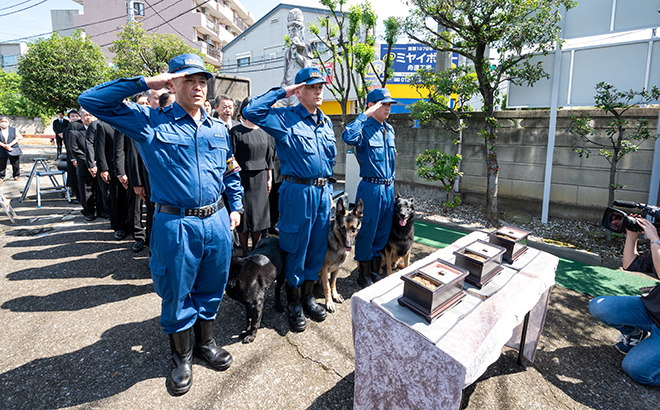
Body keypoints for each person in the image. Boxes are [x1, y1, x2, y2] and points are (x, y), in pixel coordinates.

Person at [79, 53, 244, 395]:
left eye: (202, 81)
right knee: (176, 292)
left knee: (212, 287)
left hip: (215, 221)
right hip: (176, 223)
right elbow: (91, 100)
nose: (198, 87)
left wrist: (236, 206)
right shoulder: (149, 121)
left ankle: (205, 344)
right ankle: (181, 357)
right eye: (189, 80)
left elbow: (230, 171)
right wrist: (146, 82)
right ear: (172, 82)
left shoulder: (216, 128)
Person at [243, 66, 335, 332]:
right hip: (297, 193)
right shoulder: (284, 118)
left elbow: (329, 160)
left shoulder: (325, 121)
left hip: (320, 193)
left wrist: (328, 191)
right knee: (296, 248)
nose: (318, 91)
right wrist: (284, 92)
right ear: (299, 90)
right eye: (312, 86)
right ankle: (293, 303)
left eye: (320, 87)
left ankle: (307, 296)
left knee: (317, 247)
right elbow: (251, 111)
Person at [589, 216, 660, 386]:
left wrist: (655, 240)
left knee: (635, 369)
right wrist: (631, 235)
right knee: (599, 306)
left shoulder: (657, 243)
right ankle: (635, 333)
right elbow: (629, 264)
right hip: (651, 310)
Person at [342, 88, 397, 288]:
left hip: (387, 189)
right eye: (384, 104)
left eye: (390, 104)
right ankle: (363, 274)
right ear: (372, 106)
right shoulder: (363, 129)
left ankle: (374, 270)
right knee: (367, 231)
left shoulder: (389, 130)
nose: (388, 108)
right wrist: (363, 116)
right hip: (371, 188)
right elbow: (347, 136)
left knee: (382, 231)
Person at [230, 97, 275, 254]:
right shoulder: (235, 132)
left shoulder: (266, 132)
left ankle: (255, 250)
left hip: (261, 179)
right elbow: (230, 158)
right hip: (241, 179)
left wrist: (269, 178)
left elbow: (270, 158)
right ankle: (244, 251)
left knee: (259, 216)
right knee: (243, 216)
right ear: (243, 110)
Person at [69, 109, 103, 221]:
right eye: (86, 115)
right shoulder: (75, 133)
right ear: (81, 117)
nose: (89, 117)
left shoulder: (101, 130)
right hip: (84, 166)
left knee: (100, 190)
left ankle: (102, 210)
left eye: (91, 115)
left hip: (101, 165)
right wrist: (91, 162)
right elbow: (75, 150)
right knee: (86, 191)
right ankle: (89, 212)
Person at [63, 110, 82, 202]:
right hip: (72, 156)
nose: (75, 118)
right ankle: (78, 196)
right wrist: (73, 157)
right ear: (69, 118)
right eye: (72, 116)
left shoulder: (83, 126)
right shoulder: (67, 129)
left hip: (81, 156)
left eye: (76, 116)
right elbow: (68, 144)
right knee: (74, 177)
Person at [0, 115, 23, 182]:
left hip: (13, 148)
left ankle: (16, 175)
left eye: (5, 121)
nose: (4, 122)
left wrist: (9, 145)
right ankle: (1, 177)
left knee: (15, 163)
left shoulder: (13, 129)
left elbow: (18, 138)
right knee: (1, 163)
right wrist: (4, 146)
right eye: (2, 121)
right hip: (1, 148)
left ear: (8, 122)